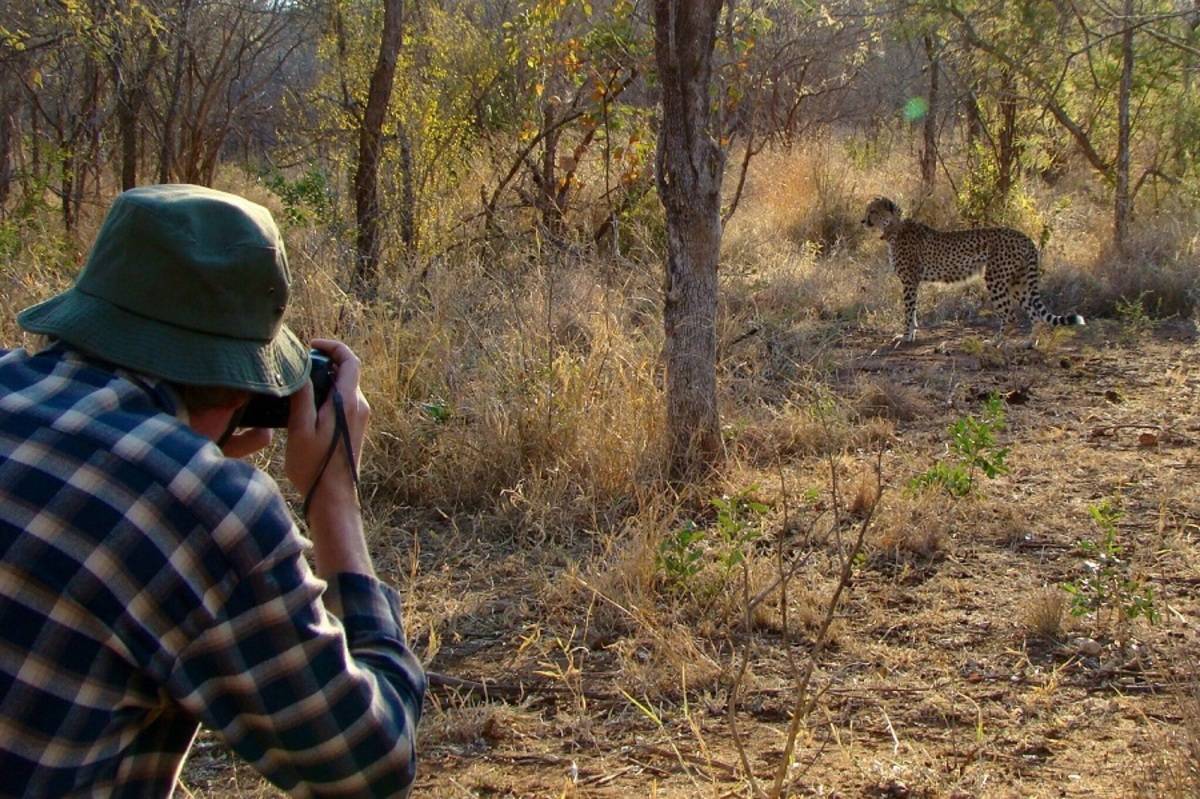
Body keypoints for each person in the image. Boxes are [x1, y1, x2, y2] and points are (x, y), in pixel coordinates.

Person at [0, 184, 425, 797]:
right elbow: (370, 768)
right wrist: (334, 498)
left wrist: (182, 451)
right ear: (240, 389)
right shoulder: (208, 511)